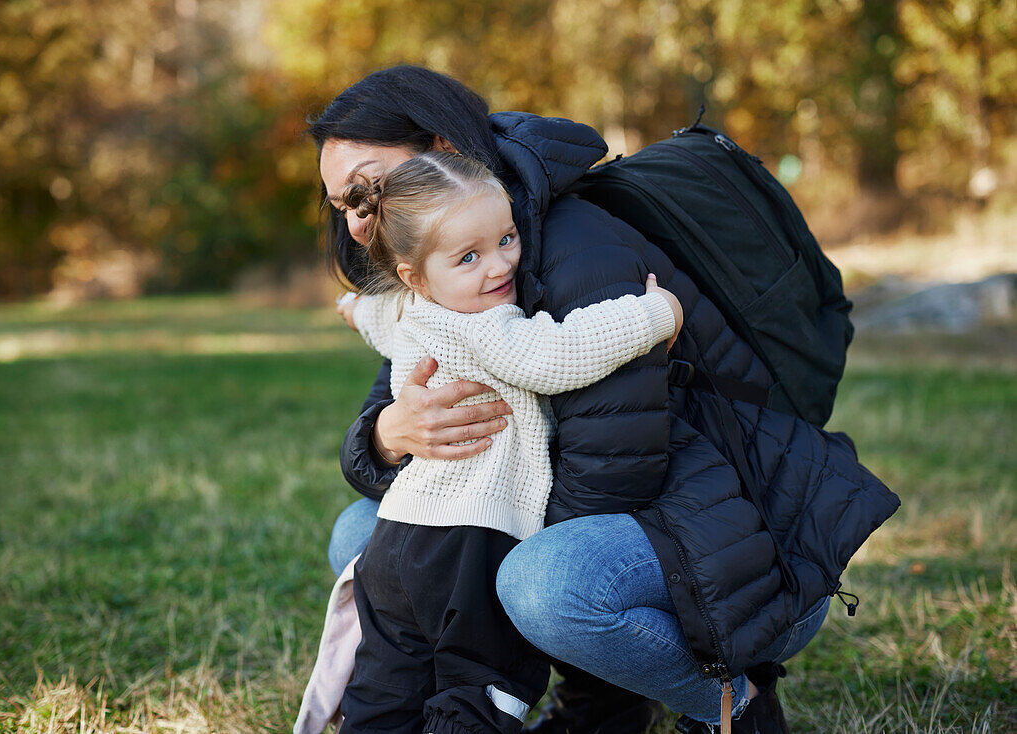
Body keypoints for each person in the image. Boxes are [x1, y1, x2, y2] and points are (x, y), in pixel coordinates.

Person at [311, 65, 899, 734]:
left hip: (725, 529)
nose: (360, 223)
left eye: (370, 191)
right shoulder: (434, 282)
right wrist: (388, 434)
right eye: (344, 204)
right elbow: (377, 442)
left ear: (443, 151)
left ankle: (734, 703)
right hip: (626, 528)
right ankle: (597, 707)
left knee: (535, 582)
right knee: (364, 535)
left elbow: (618, 469)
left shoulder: (571, 246)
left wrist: (654, 314)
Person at [331, 151, 682, 734]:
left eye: (507, 238)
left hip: (395, 542)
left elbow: (379, 318)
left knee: (387, 687)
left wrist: (352, 308)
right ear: (413, 275)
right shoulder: (491, 327)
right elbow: (560, 353)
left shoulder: (410, 311)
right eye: (469, 257)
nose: (499, 266)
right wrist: (654, 313)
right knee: (481, 687)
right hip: (468, 544)